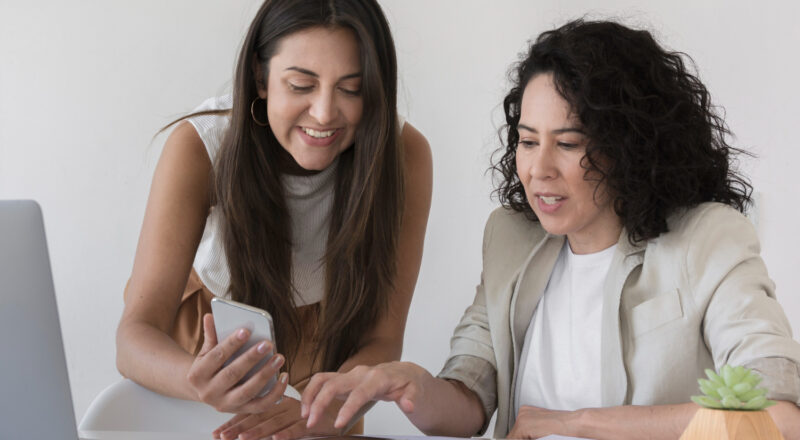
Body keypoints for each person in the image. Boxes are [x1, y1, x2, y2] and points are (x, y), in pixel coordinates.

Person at [300, 19, 800, 439]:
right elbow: (469, 400)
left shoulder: (708, 240)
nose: (539, 169)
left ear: (630, 146)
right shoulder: (510, 238)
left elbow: (778, 418)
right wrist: (411, 386)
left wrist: (574, 423)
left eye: (568, 143)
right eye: (527, 140)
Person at [115, 1, 432, 439]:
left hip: (334, 373)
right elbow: (133, 340)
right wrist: (198, 379)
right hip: (208, 349)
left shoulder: (405, 156)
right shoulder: (201, 146)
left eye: (352, 88)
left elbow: (383, 337)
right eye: (302, 84)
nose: (324, 112)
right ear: (260, 79)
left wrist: (317, 411)